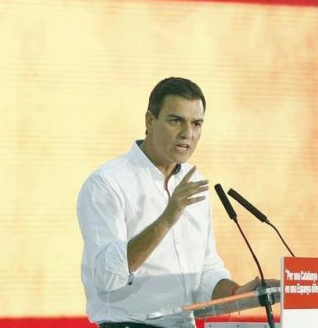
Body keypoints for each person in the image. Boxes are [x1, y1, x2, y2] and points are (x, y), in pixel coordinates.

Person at [76, 77, 267, 328]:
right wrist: (168, 217)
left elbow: (204, 273)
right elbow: (107, 276)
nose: (187, 133)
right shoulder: (107, 183)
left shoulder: (193, 182)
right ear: (149, 121)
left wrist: (240, 292)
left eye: (196, 123)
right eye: (176, 120)